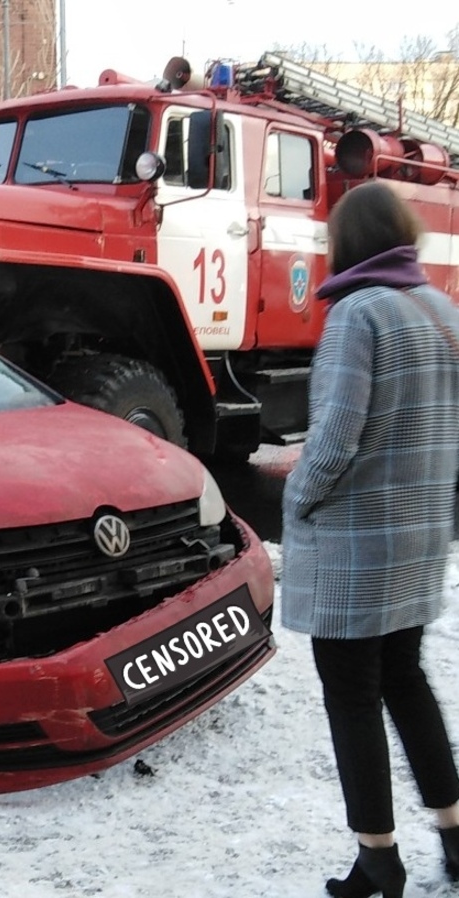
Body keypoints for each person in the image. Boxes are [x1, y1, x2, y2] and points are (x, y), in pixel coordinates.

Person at [282, 180, 459, 898]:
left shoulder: (358, 314)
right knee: (406, 682)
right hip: (419, 542)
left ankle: (377, 860)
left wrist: (298, 501)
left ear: (346, 244)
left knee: (352, 696)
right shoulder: (441, 310)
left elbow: (332, 440)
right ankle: (454, 832)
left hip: (357, 547)